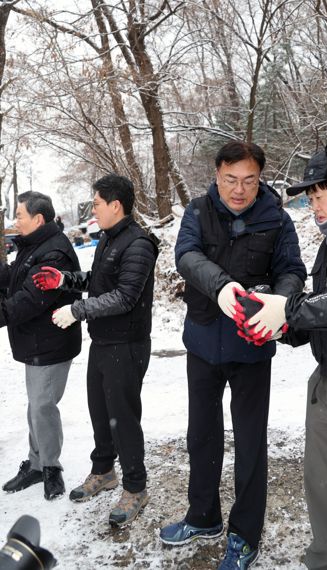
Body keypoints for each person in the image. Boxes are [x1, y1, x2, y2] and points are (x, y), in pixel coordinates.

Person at [159, 141, 306, 569]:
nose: (239, 190)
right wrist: (220, 285)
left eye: (249, 180)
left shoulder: (276, 219)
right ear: (217, 173)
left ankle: (245, 534)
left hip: (252, 348)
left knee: (250, 444)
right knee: (201, 436)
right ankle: (203, 516)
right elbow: (185, 255)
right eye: (230, 179)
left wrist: (280, 302)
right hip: (203, 342)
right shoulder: (198, 212)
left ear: (260, 178)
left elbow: (292, 270)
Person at [240, 140, 327, 570]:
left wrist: (291, 309)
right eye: (311, 197)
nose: (313, 206)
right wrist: (278, 325)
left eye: (320, 195)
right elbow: (324, 307)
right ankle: (325, 562)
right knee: (322, 488)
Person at [33, 174, 158, 527]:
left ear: (115, 205)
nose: (94, 209)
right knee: (101, 412)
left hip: (127, 344)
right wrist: (65, 280)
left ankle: (136, 486)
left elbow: (124, 296)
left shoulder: (138, 244)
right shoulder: (110, 238)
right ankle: (104, 470)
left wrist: (76, 310)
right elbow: (99, 281)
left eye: (98, 203)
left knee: (124, 418)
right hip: (104, 342)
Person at [0, 191, 82, 500]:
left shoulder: (54, 252)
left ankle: (50, 468)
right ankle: (37, 463)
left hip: (50, 342)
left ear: (38, 219)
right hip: (36, 342)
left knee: (43, 405)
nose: (15, 221)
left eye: (19, 215)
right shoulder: (35, 245)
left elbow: (28, 301)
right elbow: (15, 276)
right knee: (36, 404)